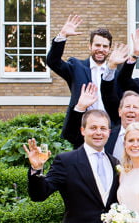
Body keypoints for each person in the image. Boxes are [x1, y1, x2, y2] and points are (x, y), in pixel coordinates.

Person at [46, 15, 132, 144]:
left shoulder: (117, 72)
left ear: (109, 49)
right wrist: (62, 36)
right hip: (83, 130)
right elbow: (53, 62)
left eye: (105, 46)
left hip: (110, 129)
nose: (101, 49)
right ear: (90, 46)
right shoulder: (76, 67)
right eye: (97, 45)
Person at [106, 91, 139, 159]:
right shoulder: (107, 136)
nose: (131, 110)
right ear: (120, 111)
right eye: (127, 106)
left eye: (135, 107)